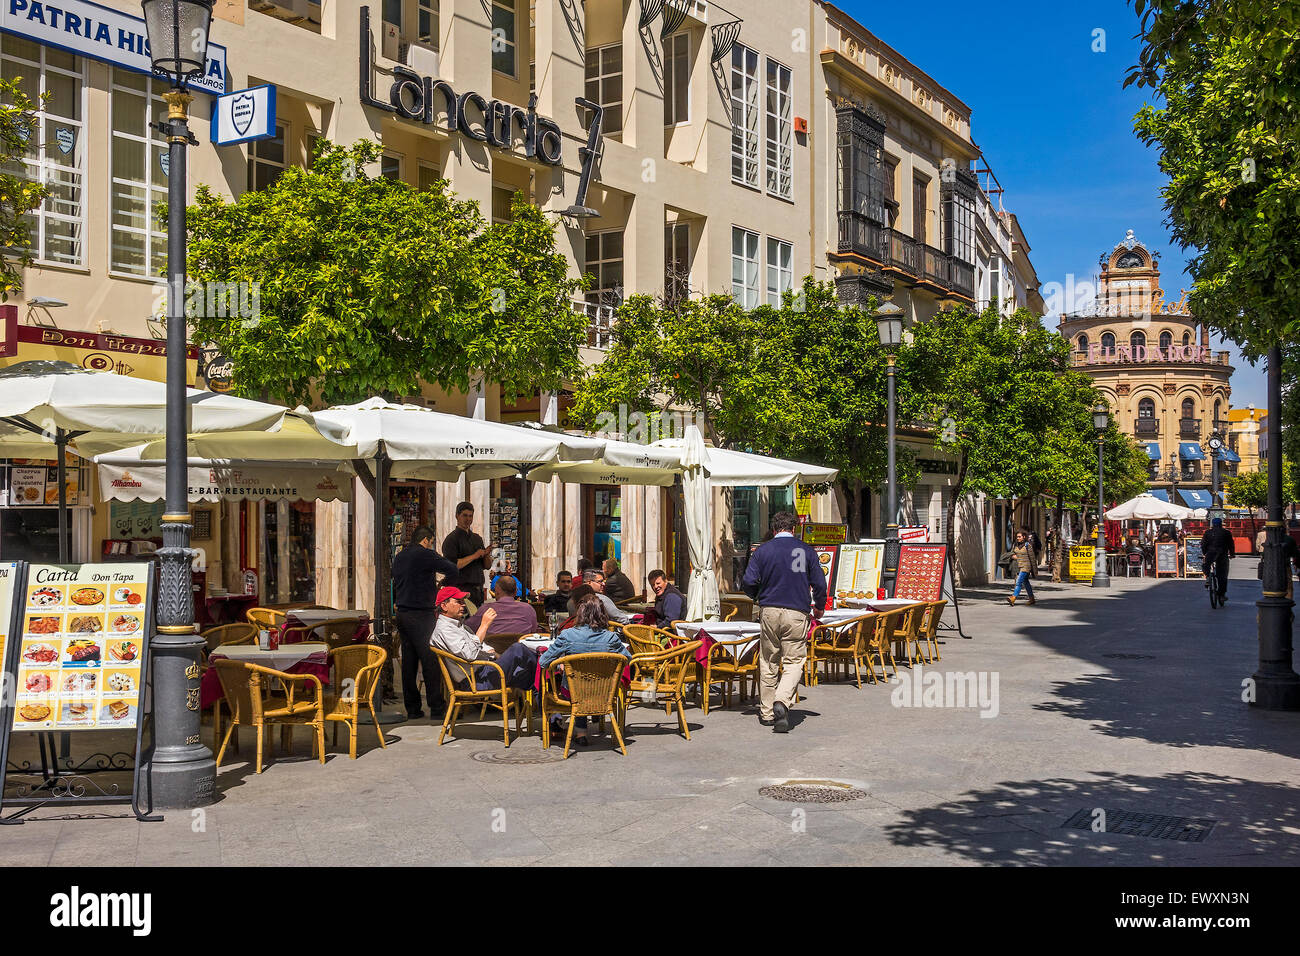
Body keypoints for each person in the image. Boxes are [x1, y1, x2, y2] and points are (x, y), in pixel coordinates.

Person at [740, 511, 826, 734]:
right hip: (797, 611)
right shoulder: (806, 551)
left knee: (768, 661)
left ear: (775, 528)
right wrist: (819, 606)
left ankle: (767, 712)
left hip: (769, 610)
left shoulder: (762, 551)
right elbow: (819, 583)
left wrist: (757, 596)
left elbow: (748, 581)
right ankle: (782, 700)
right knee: (794, 661)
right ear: (794, 528)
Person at [539, 595, 629, 746]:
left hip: (573, 693)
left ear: (580, 613)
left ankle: (580, 733)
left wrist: (563, 662)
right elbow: (628, 660)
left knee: (576, 684)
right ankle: (583, 730)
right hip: (604, 691)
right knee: (585, 684)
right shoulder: (611, 638)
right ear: (602, 614)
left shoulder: (567, 635)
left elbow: (543, 662)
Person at [391, 524, 460, 720]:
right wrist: (441, 586)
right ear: (426, 540)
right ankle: (436, 707)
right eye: (431, 542)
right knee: (430, 661)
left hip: (403, 613)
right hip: (422, 614)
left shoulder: (400, 556)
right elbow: (452, 569)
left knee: (409, 662)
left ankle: (413, 708)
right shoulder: (426, 554)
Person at [430, 586, 535, 691]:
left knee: (529, 676)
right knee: (518, 649)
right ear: (444, 606)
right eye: (458, 601)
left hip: (484, 671)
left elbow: (478, 644)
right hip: (475, 680)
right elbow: (469, 654)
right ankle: (545, 675)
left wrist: (493, 653)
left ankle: (540, 697)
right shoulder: (444, 629)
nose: (463, 605)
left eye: (463, 601)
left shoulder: (457, 625)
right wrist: (484, 625)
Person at [442, 501, 491, 607]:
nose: (468, 519)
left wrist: (487, 554)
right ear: (457, 516)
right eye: (464, 515)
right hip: (461, 592)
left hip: (478, 591)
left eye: (470, 516)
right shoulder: (451, 540)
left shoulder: (477, 538)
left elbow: (487, 566)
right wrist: (475, 556)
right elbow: (452, 566)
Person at [465, 575, 542, 636]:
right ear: (515, 592)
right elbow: (533, 630)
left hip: (492, 651)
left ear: (497, 591)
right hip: (520, 652)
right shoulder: (528, 609)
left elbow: (469, 628)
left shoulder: (486, 609)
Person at [1200, 517, 1236, 604]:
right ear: (1221, 524)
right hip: (1222, 554)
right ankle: (1222, 595)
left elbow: (1203, 544)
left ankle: (1208, 576)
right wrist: (1232, 554)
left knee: (1206, 565)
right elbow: (1231, 544)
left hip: (1210, 554)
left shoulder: (1208, 532)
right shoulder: (1226, 532)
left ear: (1212, 524)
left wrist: (1205, 553)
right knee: (1223, 576)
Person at [1004, 531, 1037, 607]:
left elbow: (1032, 558)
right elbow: (1012, 553)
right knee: (1026, 583)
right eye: (1017, 537)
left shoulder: (1027, 545)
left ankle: (1013, 597)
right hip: (1018, 567)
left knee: (1018, 582)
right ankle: (1032, 599)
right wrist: (1012, 556)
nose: (1018, 538)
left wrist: (1034, 571)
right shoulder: (1015, 545)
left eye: (1019, 537)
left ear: (1024, 537)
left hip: (1026, 567)